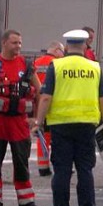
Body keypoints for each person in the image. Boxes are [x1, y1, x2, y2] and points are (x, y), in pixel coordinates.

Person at [33, 29, 103, 206]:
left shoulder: (57, 66)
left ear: (68, 46)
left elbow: (45, 97)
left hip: (61, 126)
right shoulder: (94, 67)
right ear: (85, 46)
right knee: (85, 171)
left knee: (62, 171)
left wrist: (38, 122)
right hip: (86, 126)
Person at [0, 30, 45, 206]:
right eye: (15, 43)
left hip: (19, 124)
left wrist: (36, 119)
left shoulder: (26, 65)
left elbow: (40, 92)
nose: (18, 47)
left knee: (21, 163)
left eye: (20, 43)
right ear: (4, 43)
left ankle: (26, 202)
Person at [34, 41, 65, 176]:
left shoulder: (37, 62)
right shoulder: (58, 64)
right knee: (58, 138)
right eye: (62, 52)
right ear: (57, 50)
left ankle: (43, 167)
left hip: (39, 105)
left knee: (43, 136)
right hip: (53, 106)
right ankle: (62, 166)